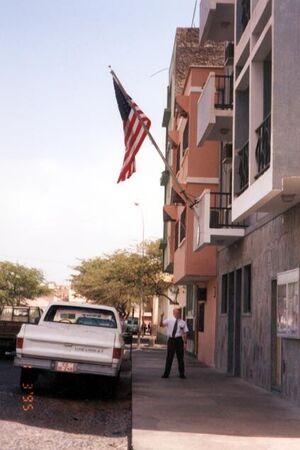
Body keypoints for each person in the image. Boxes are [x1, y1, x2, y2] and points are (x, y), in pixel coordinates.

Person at [160, 308, 188, 379]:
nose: (177, 314)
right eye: (175, 313)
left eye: (178, 313)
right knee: (169, 357)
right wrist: (161, 317)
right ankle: (166, 374)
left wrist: (185, 342)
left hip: (179, 340)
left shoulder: (183, 322)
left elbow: (185, 332)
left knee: (180, 358)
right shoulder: (169, 320)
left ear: (180, 314)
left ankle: (182, 374)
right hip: (171, 340)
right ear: (173, 313)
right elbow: (161, 325)